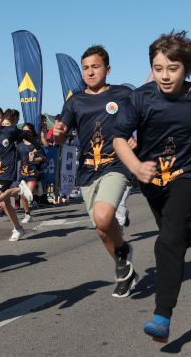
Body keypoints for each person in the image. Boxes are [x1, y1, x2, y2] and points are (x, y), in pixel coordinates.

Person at [113, 30, 191, 343]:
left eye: (172, 69)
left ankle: (162, 316)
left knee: (165, 244)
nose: (164, 75)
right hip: (152, 179)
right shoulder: (139, 97)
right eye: (158, 68)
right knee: (175, 235)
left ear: (186, 69)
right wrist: (136, 166)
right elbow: (119, 138)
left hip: (189, 173)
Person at [52, 45, 139, 298]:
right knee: (102, 230)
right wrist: (57, 134)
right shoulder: (75, 100)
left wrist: (137, 140)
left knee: (103, 217)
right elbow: (61, 136)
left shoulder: (124, 93)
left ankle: (122, 256)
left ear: (107, 69)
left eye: (96, 67)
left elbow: (147, 116)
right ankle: (123, 266)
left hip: (117, 165)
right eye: (86, 68)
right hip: (88, 171)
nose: (90, 72)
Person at [0, 106, 41, 241]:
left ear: (2, 119)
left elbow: (26, 134)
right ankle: (18, 229)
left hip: (7, 171)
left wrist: (38, 147)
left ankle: (20, 189)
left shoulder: (9, 131)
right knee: (5, 203)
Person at [16, 122, 45, 224]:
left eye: (27, 131)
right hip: (23, 173)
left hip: (33, 172)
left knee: (26, 192)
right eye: (23, 131)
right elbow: (16, 158)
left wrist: (34, 159)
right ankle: (27, 214)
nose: (25, 133)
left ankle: (37, 186)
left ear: (32, 132)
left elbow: (44, 158)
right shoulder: (19, 145)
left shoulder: (35, 144)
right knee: (23, 195)